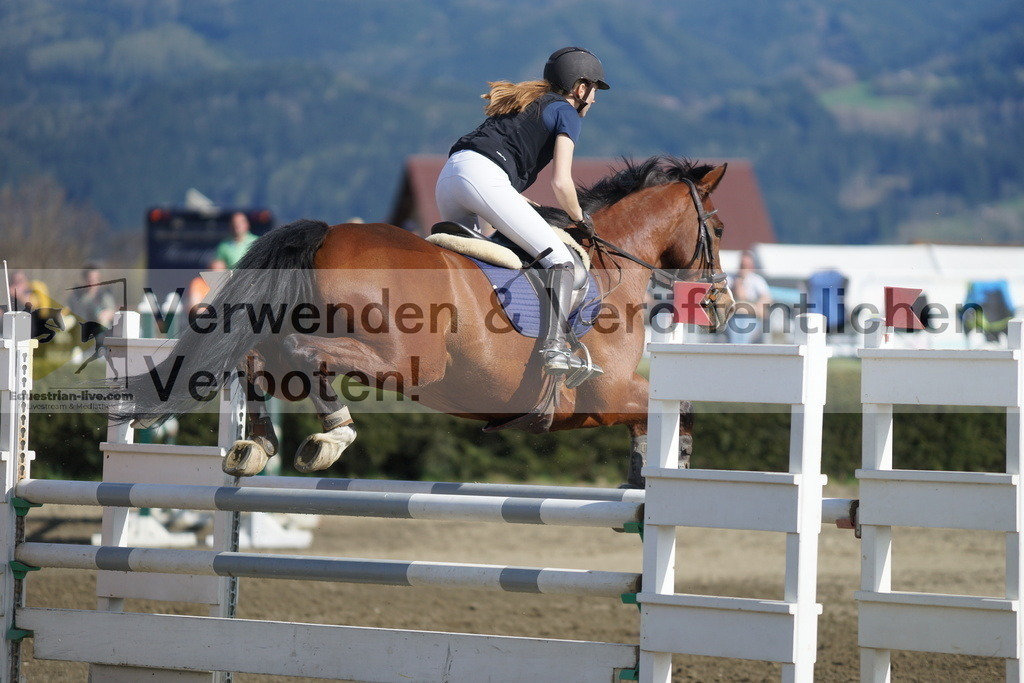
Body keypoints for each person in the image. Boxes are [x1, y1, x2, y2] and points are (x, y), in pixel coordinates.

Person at [435, 47, 610, 381]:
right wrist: (579, 218)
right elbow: (561, 182)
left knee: (473, 271)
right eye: (594, 91)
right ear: (579, 87)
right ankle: (554, 347)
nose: (595, 100)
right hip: (484, 179)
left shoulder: (526, 101)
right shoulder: (567, 112)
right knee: (563, 264)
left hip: (450, 178)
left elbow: (497, 171)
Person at [725, 252, 772, 343]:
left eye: (747, 265)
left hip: (752, 319)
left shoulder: (757, 280)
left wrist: (745, 305)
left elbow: (766, 300)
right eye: (742, 265)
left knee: (745, 329)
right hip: (733, 318)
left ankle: (739, 351)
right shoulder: (731, 279)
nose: (744, 268)